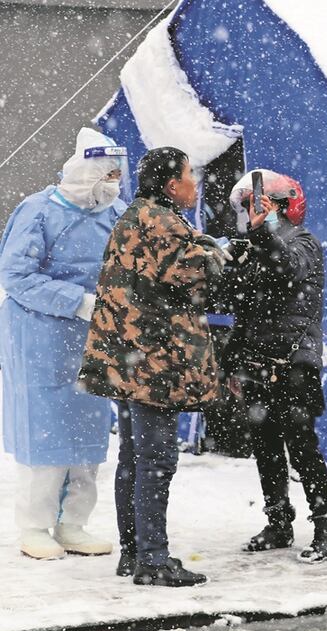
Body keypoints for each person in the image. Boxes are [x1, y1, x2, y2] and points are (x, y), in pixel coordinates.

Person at [79, 146, 228, 586]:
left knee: (134, 457)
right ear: (170, 185)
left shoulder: (135, 215)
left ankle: (134, 553)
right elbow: (201, 272)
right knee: (156, 461)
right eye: (188, 175)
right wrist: (226, 249)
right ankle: (153, 560)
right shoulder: (161, 222)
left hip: (129, 360)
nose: (194, 183)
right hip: (154, 365)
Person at [0, 128, 126, 559]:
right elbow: (15, 276)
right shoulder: (37, 212)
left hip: (92, 341)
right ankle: (34, 526)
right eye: (106, 175)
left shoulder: (114, 213)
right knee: (46, 434)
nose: (113, 183)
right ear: (86, 172)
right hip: (39, 339)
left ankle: (73, 523)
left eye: (117, 175)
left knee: (87, 434)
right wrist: (76, 302)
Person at [222, 170, 327, 563]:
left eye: (259, 206)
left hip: (295, 360)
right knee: (266, 445)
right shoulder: (253, 245)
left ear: (284, 206)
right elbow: (242, 306)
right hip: (257, 359)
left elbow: (286, 269)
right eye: (247, 208)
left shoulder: (304, 243)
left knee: (302, 444)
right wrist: (233, 361)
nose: (252, 214)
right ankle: (278, 521)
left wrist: (261, 236)